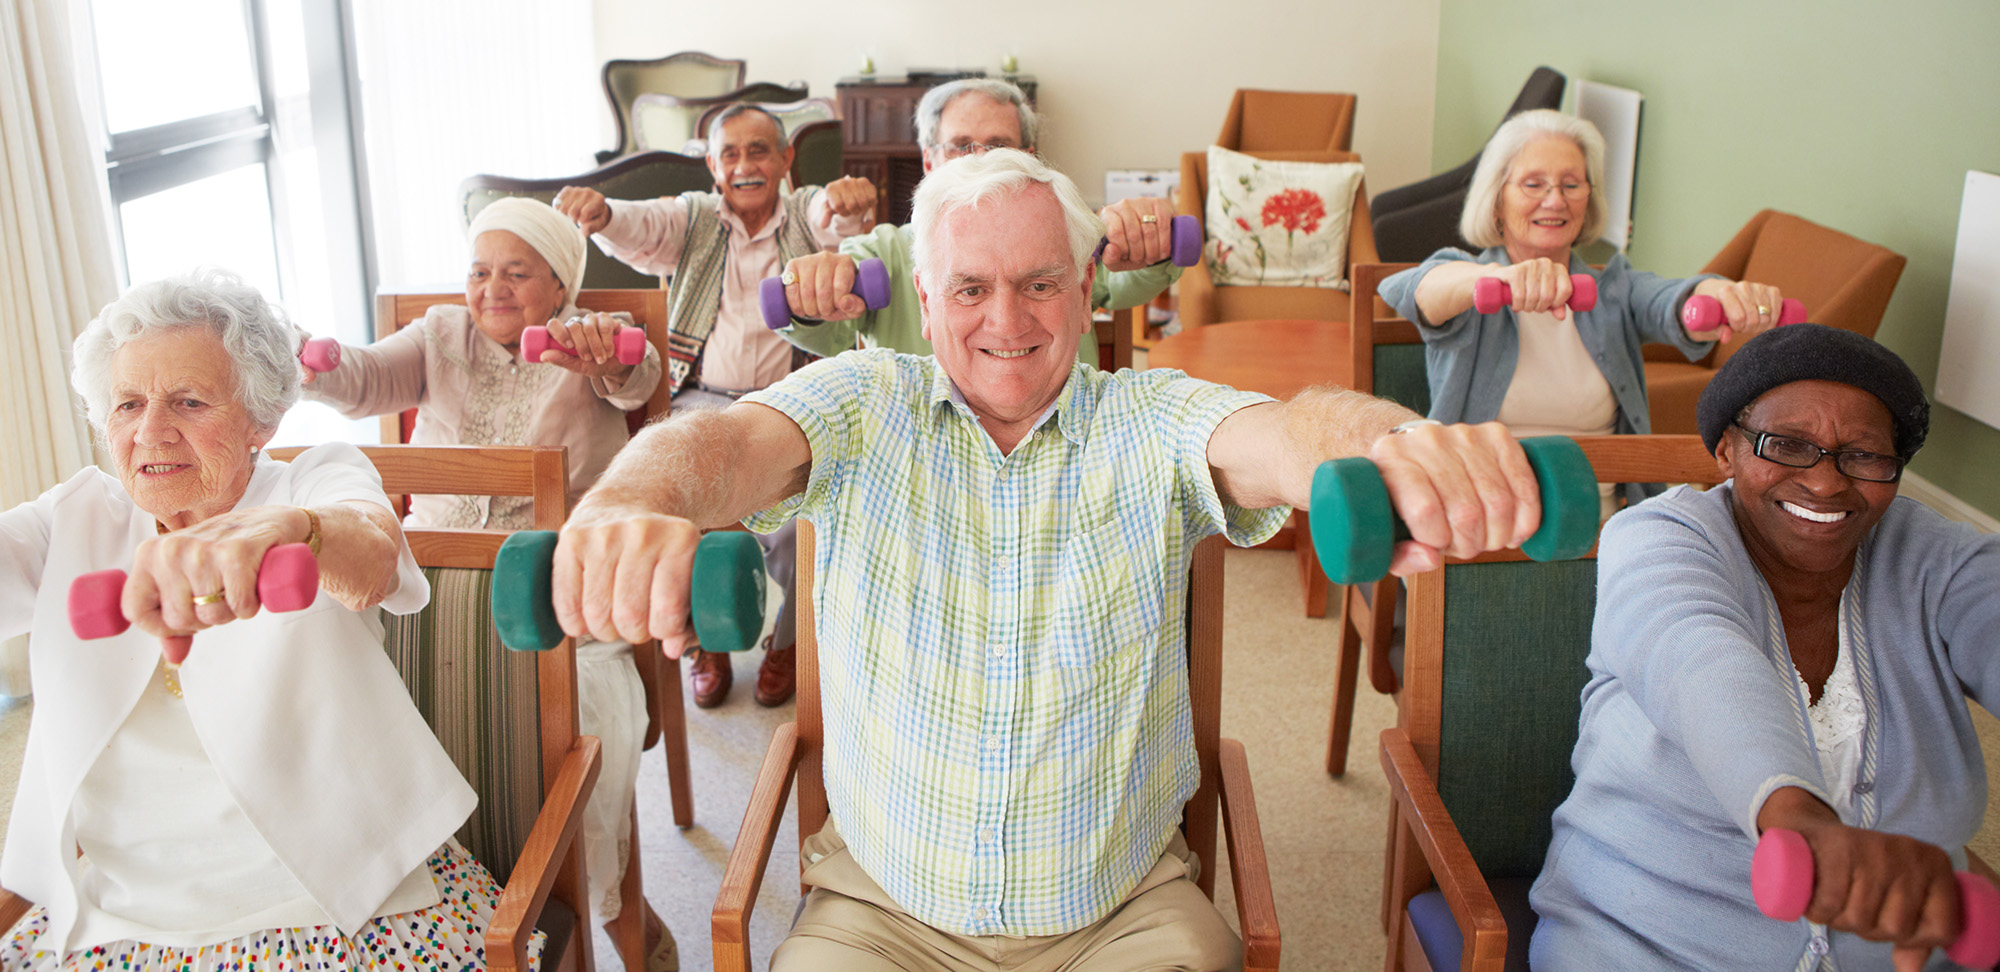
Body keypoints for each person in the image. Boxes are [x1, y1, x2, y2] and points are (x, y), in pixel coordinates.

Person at [549, 149, 1549, 971]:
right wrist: (633, 501)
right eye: (971, 290)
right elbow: (718, 446)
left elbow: (1291, 431)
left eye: (1038, 285)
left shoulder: (1151, 417)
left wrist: (1391, 444)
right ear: (924, 303)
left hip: (1122, 921)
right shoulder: (859, 398)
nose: (1007, 320)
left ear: (1082, 294)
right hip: (880, 917)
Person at [0, 269, 543, 970]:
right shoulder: (71, 521)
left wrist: (293, 532)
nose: (150, 431)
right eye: (127, 403)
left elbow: (372, 557)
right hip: (123, 917)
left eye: (189, 402)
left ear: (262, 418)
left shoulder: (315, 480)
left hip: (344, 903)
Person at [1530, 324, 1999, 971]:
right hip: (1646, 942)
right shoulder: (1658, 538)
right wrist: (1798, 821)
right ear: (1726, 450)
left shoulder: (1937, 559)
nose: (1828, 483)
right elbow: (1698, 660)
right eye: (1787, 445)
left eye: (1863, 455)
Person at [295, 198, 671, 967]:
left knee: (575, 722)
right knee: (335, 692)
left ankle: (593, 899)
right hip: (427, 575)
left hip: (554, 587)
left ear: (561, 283)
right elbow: (365, 382)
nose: (491, 288)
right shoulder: (437, 333)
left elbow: (638, 385)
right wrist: (318, 361)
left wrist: (611, 360)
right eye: (478, 271)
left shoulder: (584, 339)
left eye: (516, 272)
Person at [554, 103, 875, 711]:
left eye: (759, 151)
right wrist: (605, 213)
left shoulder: (807, 208)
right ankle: (708, 646)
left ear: (784, 161)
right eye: (730, 154)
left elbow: (836, 220)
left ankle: (786, 645)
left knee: (795, 530)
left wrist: (850, 206)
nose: (745, 165)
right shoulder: (694, 218)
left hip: (789, 400)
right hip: (701, 399)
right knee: (686, 508)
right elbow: (640, 224)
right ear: (712, 165)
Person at [1379, 108, 1790, 516]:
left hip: (1600, 528)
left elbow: (1670, 300)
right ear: (1497, 200)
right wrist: (1499, 279)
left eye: (1571, 184)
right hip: (1483, 522)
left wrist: (1719, 293)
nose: (1555, 200)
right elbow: (1410, 289)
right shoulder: (1470, 284)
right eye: (1533, 184)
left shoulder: (1614, 288)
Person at [772, 77, 1182, 365]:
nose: (980, 160)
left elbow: (1128, 279)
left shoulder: (1069, 236)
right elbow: (831, 333)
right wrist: (812, 292)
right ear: (929, 160)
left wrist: (1147, 234)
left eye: (999, 145)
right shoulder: (883, 252)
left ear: (1030, 155)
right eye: (960, 146)